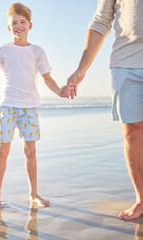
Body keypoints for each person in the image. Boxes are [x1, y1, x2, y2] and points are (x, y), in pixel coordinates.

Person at [0, 3, 66, 208]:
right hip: (7, 107)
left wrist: (60, 91)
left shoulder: (37, 51)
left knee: (30, 151)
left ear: (30, 25)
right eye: (14, 23)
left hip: (30, 107)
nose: (18, 26)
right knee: (2, 151)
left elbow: (47, 78)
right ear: (8, 27)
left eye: (22, 22)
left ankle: (34, 194)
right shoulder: (3, 50)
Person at [66, 0, 143, 221]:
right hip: (126, 60)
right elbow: (101, 20)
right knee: (132, 133)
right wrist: (82, 69)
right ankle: (142, 199)